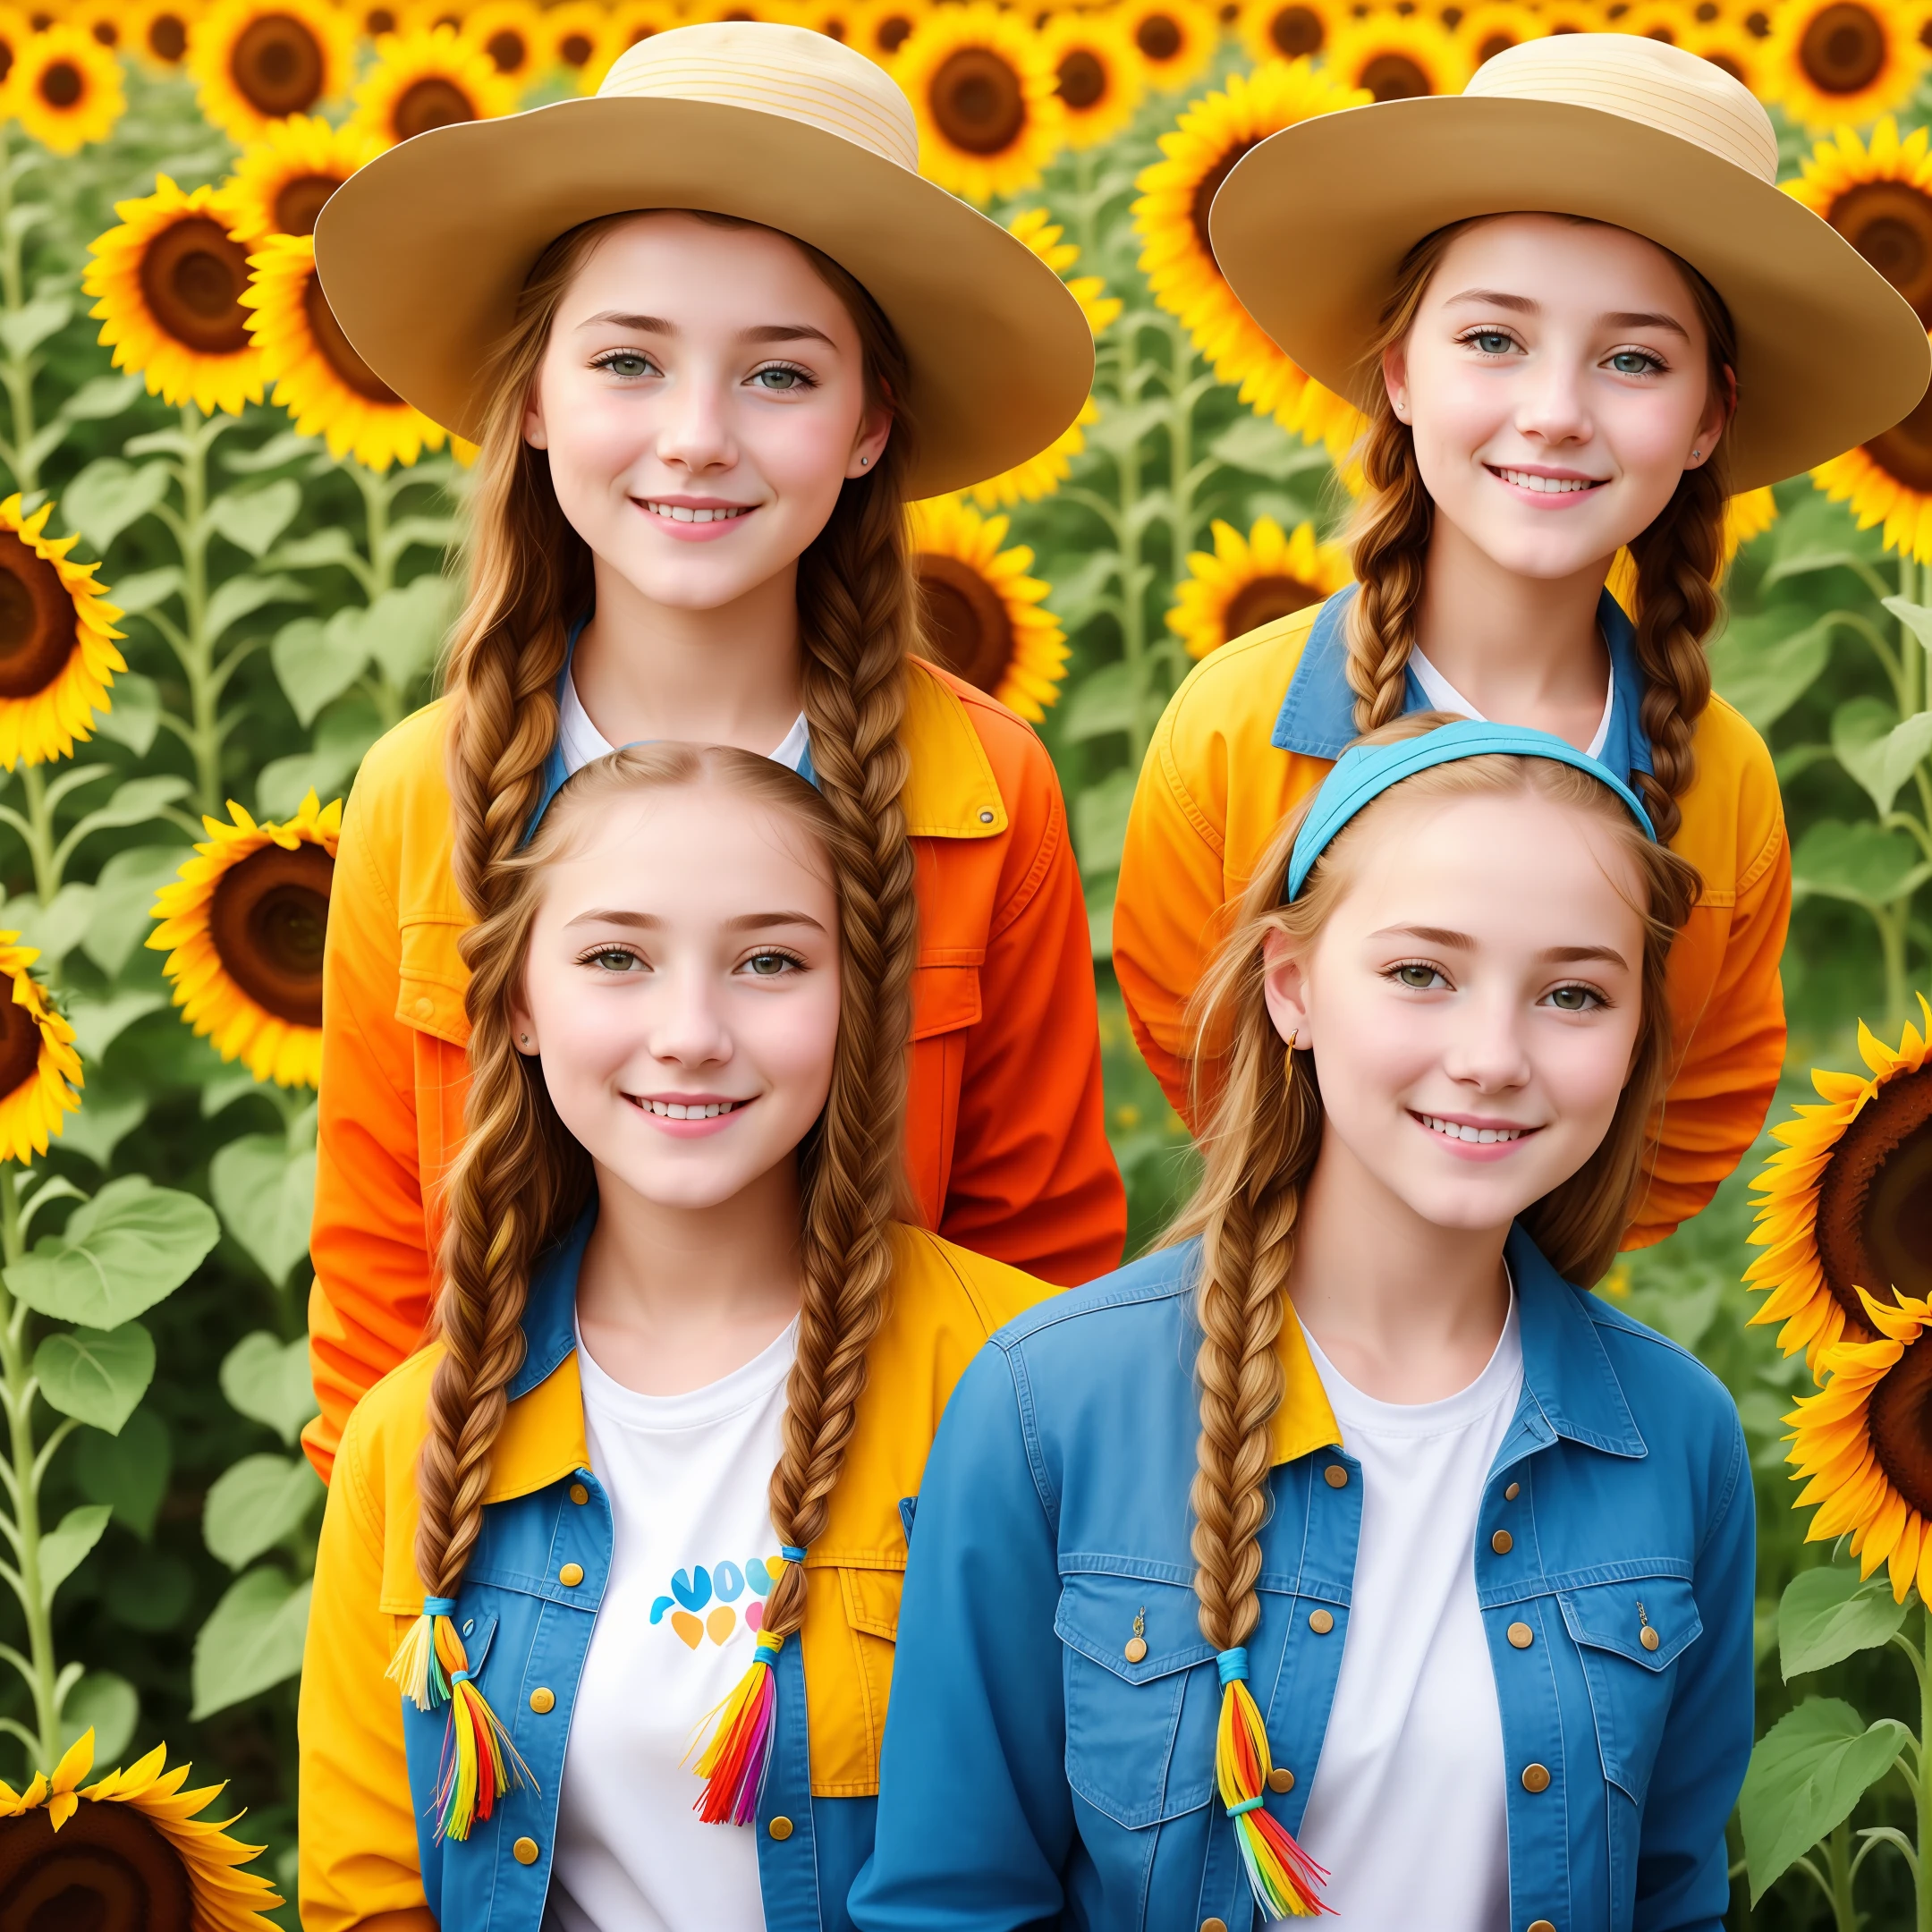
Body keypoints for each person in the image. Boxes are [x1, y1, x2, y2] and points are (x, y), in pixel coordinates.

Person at [300, 21, 1124, 1480]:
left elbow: (1037, 1259)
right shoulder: (420, 800)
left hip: (890, 1568)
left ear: (871, 422)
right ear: (537, 398)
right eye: (629, 360)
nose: (695, 436)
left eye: (780, 377)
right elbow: (380, 1296)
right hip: (510, 1585)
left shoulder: (984, 795)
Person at [854, 719, 1753, 1932]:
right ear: (1292, 989)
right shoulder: (1046, 1406)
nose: (1492, 1056)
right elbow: (952, 1905)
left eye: (1574, 993)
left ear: (1637, 1027)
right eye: (1422, 973)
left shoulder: (1675, 1435)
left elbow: (1673, 1898)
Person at [1114, 34, 1932, 1250]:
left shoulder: (1725, 784)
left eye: (1635, 360)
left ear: (1710, 416)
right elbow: (1198, 1043)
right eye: (1492, 340)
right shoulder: (1235, 728)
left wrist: (1517, 1263)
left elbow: (1696, 1112)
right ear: (1398, 371)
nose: (1554, 413)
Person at [300, 743, 1051, 1932]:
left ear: (858, 1000)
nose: (692, 1031)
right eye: (615, 959)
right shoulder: (416, 1440)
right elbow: (370, 1900)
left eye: (769, 961)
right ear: (519, 1008)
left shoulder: (1030, 1388)